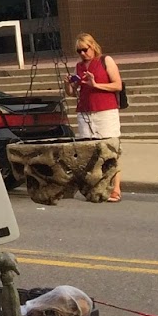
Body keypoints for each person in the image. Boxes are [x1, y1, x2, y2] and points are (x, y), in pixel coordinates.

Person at [66, 31, 123, 199]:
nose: (83, 54)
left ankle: (115, 188)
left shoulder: (105, 61)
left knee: (110, 149)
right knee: (89, 151)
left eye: (85, 49)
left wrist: (96, 84)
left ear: (93, 46)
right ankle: (95, 186)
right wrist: (69, 85)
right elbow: (71, 93)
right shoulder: (79, 66)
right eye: (79, 51)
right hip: (85, 111)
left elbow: (117, 85)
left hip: (105, 110)